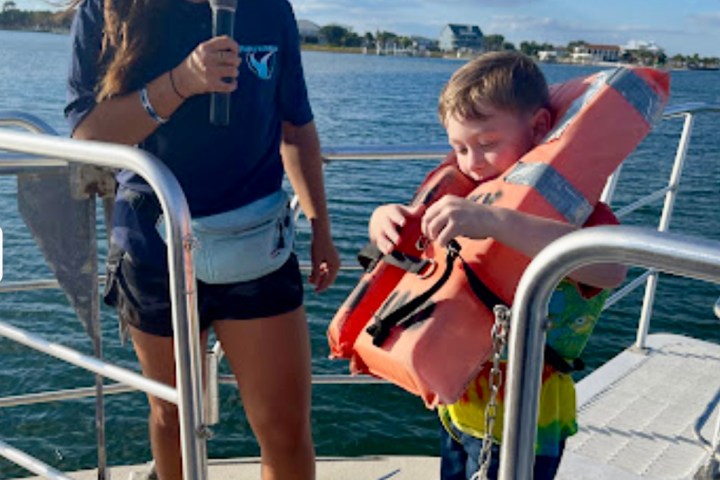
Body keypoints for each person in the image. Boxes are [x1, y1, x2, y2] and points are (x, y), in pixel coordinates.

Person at [64, 0, 340, 479]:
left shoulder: (270, 9)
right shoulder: (106, 11)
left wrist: (321, 227)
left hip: (256, 248)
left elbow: (294, 126)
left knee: (284, 429)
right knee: (172, 414)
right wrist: (181, 83)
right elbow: (87, 139)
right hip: (153, 249)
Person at [368, 51, 627, 479]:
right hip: (458, 405)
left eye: (487, 144)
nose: (471, 162)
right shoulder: (469, 195)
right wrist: (382, 218)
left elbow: (610, 269)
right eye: (459, 148)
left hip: (525, 416)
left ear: (540, 126)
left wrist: (494, 222)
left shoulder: (577, 210)